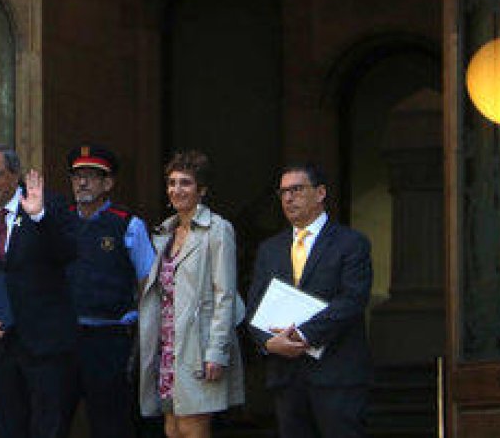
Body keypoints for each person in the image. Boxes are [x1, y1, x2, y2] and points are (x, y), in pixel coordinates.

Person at [244, 163, 373, 437]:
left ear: (320, 193)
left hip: (337, 375)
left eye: (297, 190)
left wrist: (303, 335)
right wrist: (267, 342)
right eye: (283, 192)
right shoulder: (270, 249)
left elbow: (352, 299)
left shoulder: (351, 243)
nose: (288, 198)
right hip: (287, 378)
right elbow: (255, 306)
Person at [0, 143, 78, 438]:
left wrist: (39, 217)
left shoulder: (49, 205)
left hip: (46, 346)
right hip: (2, 349)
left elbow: (69, 252)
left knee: (49, 429)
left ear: (15, 175)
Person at [138, 151, 245, 438]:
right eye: (172, 183)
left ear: (202, 190)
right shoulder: (166, 232)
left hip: (198, 347)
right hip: (168, 345)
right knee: (172, 427)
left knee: (192, 426)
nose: (177, 189)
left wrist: (217, 351)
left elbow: (225, 295)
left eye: (185, 183)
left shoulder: (217, 229)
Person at [59, 144, 155, 438]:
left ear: (108, 183)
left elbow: (148, 282)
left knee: (110, 424)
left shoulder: (127, 224)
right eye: (77, 176)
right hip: (63, 339)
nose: (82, 183)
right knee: (53, 422)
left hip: (109, 340)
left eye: (90, 176)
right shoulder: (60, 221)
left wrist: (138, 325)